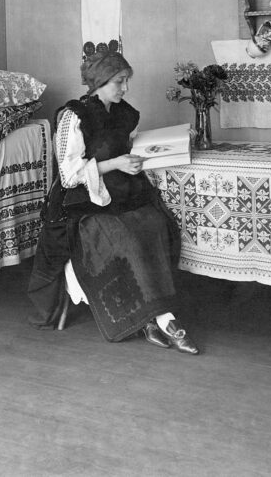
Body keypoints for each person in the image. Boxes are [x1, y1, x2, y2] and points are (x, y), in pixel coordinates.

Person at [27, 51, 200, 354]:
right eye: (120, 81)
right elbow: (69, 176)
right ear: (100, 82)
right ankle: (163, 319)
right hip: (82, 202)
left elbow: (127, 146)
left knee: (155, 223)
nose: (125, 88)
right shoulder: (74, 116)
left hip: (122, 192)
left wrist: (161, 148)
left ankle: (151, 319)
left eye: (126, 81)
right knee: (123, 236)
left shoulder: (122, 112)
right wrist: (116, 164)